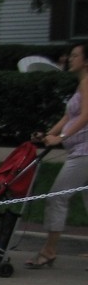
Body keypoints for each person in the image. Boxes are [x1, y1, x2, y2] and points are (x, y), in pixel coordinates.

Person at [27, 41, 88, 269]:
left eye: (75, 55)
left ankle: (49, 250)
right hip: (80, 151)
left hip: (84, 153)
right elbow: (68, 117)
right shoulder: (81, 84)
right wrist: (46, 135)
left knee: (57, 197)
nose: (69, 59)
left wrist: (61, 138)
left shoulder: (87, 83)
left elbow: (85, 117)